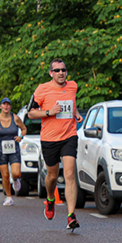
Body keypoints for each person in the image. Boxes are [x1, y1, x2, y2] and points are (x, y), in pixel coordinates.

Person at [29, 59, 83, 229]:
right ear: (51, 73)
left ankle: (71, 215)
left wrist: (76, 113)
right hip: (49, 139)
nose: (61, 73)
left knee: (69, 174)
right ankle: (50, 198)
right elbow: (31, 113)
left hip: (69, 136)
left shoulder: (73, 86)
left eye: (63, 70)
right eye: (57, 70)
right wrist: (49, 112)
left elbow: (71, 103)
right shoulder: (42, 89)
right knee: (52, 176)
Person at [0, 98, 27, 206]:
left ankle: (15, 180)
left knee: (16, 173)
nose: (6, 106)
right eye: (4, 104)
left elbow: (24, 128)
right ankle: (9, 197)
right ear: (0, 106)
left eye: (8, 104)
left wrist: (21, 136)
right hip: (1, 150)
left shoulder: (15, 118)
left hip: (14, 149)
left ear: (10, 107)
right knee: (5, 175)